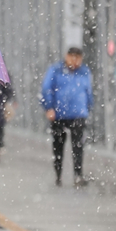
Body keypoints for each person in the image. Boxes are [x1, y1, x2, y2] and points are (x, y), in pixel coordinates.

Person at [40, 47, 93, 187]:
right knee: (58, 145)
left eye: (78, 58)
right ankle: (58, 174)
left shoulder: (84, 72)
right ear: (66, 56)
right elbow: (46, 89)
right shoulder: (56, 70)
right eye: (72, 57)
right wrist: (49, 107)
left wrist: (88, 107)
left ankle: (78, 175)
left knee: (78, 146)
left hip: (78, 114)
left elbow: (88, 92)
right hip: (59, 114)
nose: (75, 61)